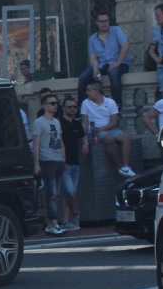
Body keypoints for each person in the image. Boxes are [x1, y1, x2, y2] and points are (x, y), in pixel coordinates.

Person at [81, 80, 135, 177]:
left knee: (127, 138)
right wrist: (84, 137)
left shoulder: (111, 102)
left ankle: (126, 167)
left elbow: (114, 122)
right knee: (109, 139)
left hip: (107, 128)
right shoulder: (85, 103)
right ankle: (119, 166)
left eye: (89, 90)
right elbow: (85, 122)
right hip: (94, 132)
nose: (86, 93)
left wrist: (101, 129)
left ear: (96, 91)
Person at [30, 93, 66, 235]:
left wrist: (63, 156)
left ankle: (52, 222)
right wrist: (36, 164)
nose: (55, 105)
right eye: (52, 103)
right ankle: (54, 222)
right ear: (45, 105)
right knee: (51, 193)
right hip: (47, 160)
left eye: (56, 103)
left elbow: (60, 139)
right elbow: (36, 145)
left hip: (58, 159)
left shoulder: (56, 122)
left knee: (56, 193)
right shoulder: (39, 122)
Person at [78, 11, 131, 104]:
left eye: (106, 21)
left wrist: (117, 63)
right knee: (83, 77)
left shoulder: (116, 30)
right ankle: (80, 107)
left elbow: (125, 45)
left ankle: (117, 105)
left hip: (119, 63)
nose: (104, 23)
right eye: (101, 21)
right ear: (97, 22)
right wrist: (95, 68)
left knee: (114, 73)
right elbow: (93, 57)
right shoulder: (92, 39)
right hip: (102, 65)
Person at [57, 96, 86, 231]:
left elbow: (83, 135)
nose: (72, 109)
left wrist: (85, 143)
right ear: (63, 108)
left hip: (76, 164)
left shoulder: (77, 124)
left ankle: (65, 221)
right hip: (64, 164)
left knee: (69, 193)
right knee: (70, 191)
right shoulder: (58, 123)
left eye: (74, 107)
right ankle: (76, 213)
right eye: (69, 107)